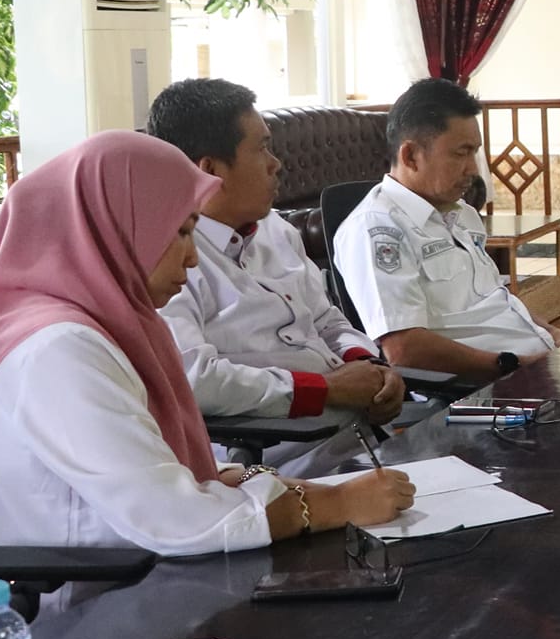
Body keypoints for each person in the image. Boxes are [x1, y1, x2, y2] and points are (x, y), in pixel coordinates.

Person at [0, 132, 413, 556]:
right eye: (180, 232)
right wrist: (336, 503)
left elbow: (157, 467)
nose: (192, 258)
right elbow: (171, 518)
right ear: (118, 225)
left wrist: (253, 480)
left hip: (137, 563)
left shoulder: (109, 320)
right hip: (74, 609)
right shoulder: (56, 350)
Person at [147, 79, 403, 431]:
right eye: (262, 149)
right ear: (209, 171)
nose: (276, 164)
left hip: (364, 431)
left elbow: (327, 321)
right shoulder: (168, 262)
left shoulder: (276, 230)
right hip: (284, 454)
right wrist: (323, 390)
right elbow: (194, 379)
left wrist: (369, 366)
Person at [333, 78, 553, 380]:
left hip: (533, 369)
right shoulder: (378, 229)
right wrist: (514, 364)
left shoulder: (461, 214)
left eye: (474, 152)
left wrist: (554, 337)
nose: (473, 169)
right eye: (460, 154)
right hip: (477, 394)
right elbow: (404, 350)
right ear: (410, 156)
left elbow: (496, 302)